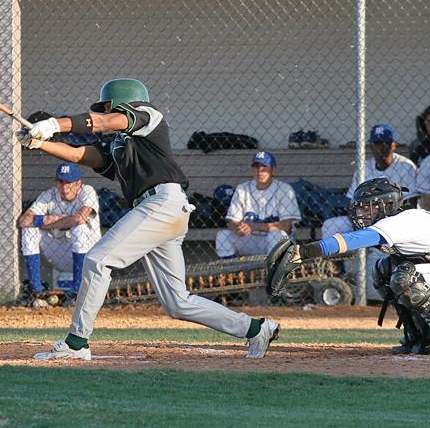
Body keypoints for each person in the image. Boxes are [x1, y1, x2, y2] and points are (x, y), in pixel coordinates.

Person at [16, 78, 280, 360]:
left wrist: (56, 123)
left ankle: (77, 343)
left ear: (121, 102)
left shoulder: (147, 115)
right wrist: (41, 143)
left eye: (107, 106)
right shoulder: (119, 146)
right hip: (161, 211)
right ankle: (256, 329)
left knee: (98, 260)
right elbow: (83, 154)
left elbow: (105, 122)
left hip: (162, 202)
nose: (104, 112)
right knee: (177, 303)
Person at [286, 178, 430, 354]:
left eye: (367, 208)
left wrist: (303, 252)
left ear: (386, 206)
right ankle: (421, 335)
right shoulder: (403, 218)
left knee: (407, 279)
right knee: (384, 269)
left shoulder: (402, 220)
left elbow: (353, 241)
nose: (361, 214)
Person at [320, 124, 419, 299]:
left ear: (393, 145)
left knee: (375, 289)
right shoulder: (364, 166)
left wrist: (382, 227)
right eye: (376, 143)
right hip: (366, 221)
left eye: (384, 143)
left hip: (394, 225)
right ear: (370, 146)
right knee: (331, 225)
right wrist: (360, 226)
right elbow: (351, 203)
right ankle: (337, 274)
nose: (380, 148)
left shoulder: (406, 166)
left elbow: (411, 205)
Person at [17, 162, 101, 301]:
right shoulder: (50, 194)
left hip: (89, 256)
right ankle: (36, 290)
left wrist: (46, 222)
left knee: (79, 228)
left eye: (69, 182)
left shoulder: (87, 191)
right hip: (61, 253)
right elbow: (24, 221)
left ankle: (78, 290)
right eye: (60, 182)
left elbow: (79, 219)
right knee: (29, 230)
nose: (64, 187)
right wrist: (55, 218)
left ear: (78, 183)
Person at [214, 151, 300, 259]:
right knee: (223, 236)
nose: (260, 170)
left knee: (275, 235)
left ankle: (275, 273)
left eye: (264, 166)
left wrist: (254, 226)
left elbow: (286, 226)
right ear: (252, 170)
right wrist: (240, 227)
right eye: (256, 166)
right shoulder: (242, 188)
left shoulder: (285, 189)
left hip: (277, 240)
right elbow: (231, 223)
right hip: (250, 240)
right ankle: (231, 273)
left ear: (274, 171)